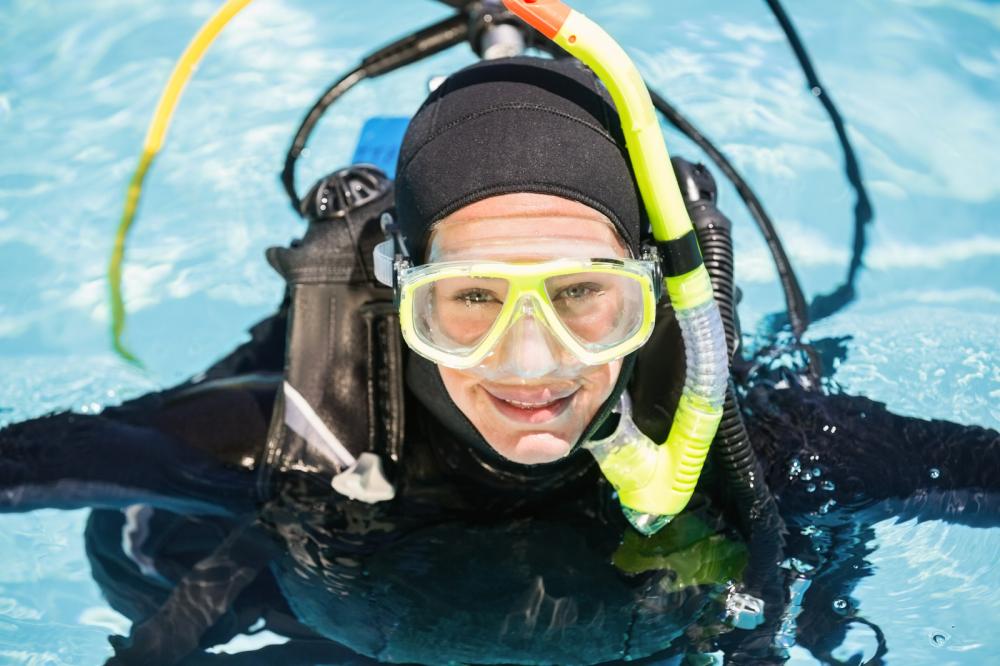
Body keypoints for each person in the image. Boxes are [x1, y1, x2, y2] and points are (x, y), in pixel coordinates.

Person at [2, 55, 998, 666]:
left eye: (580, 296)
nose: (530, 365)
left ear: (650, 299)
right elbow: (51, 457)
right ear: (405, 300)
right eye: (469, 301)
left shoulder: (768, 447)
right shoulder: (286, 434)